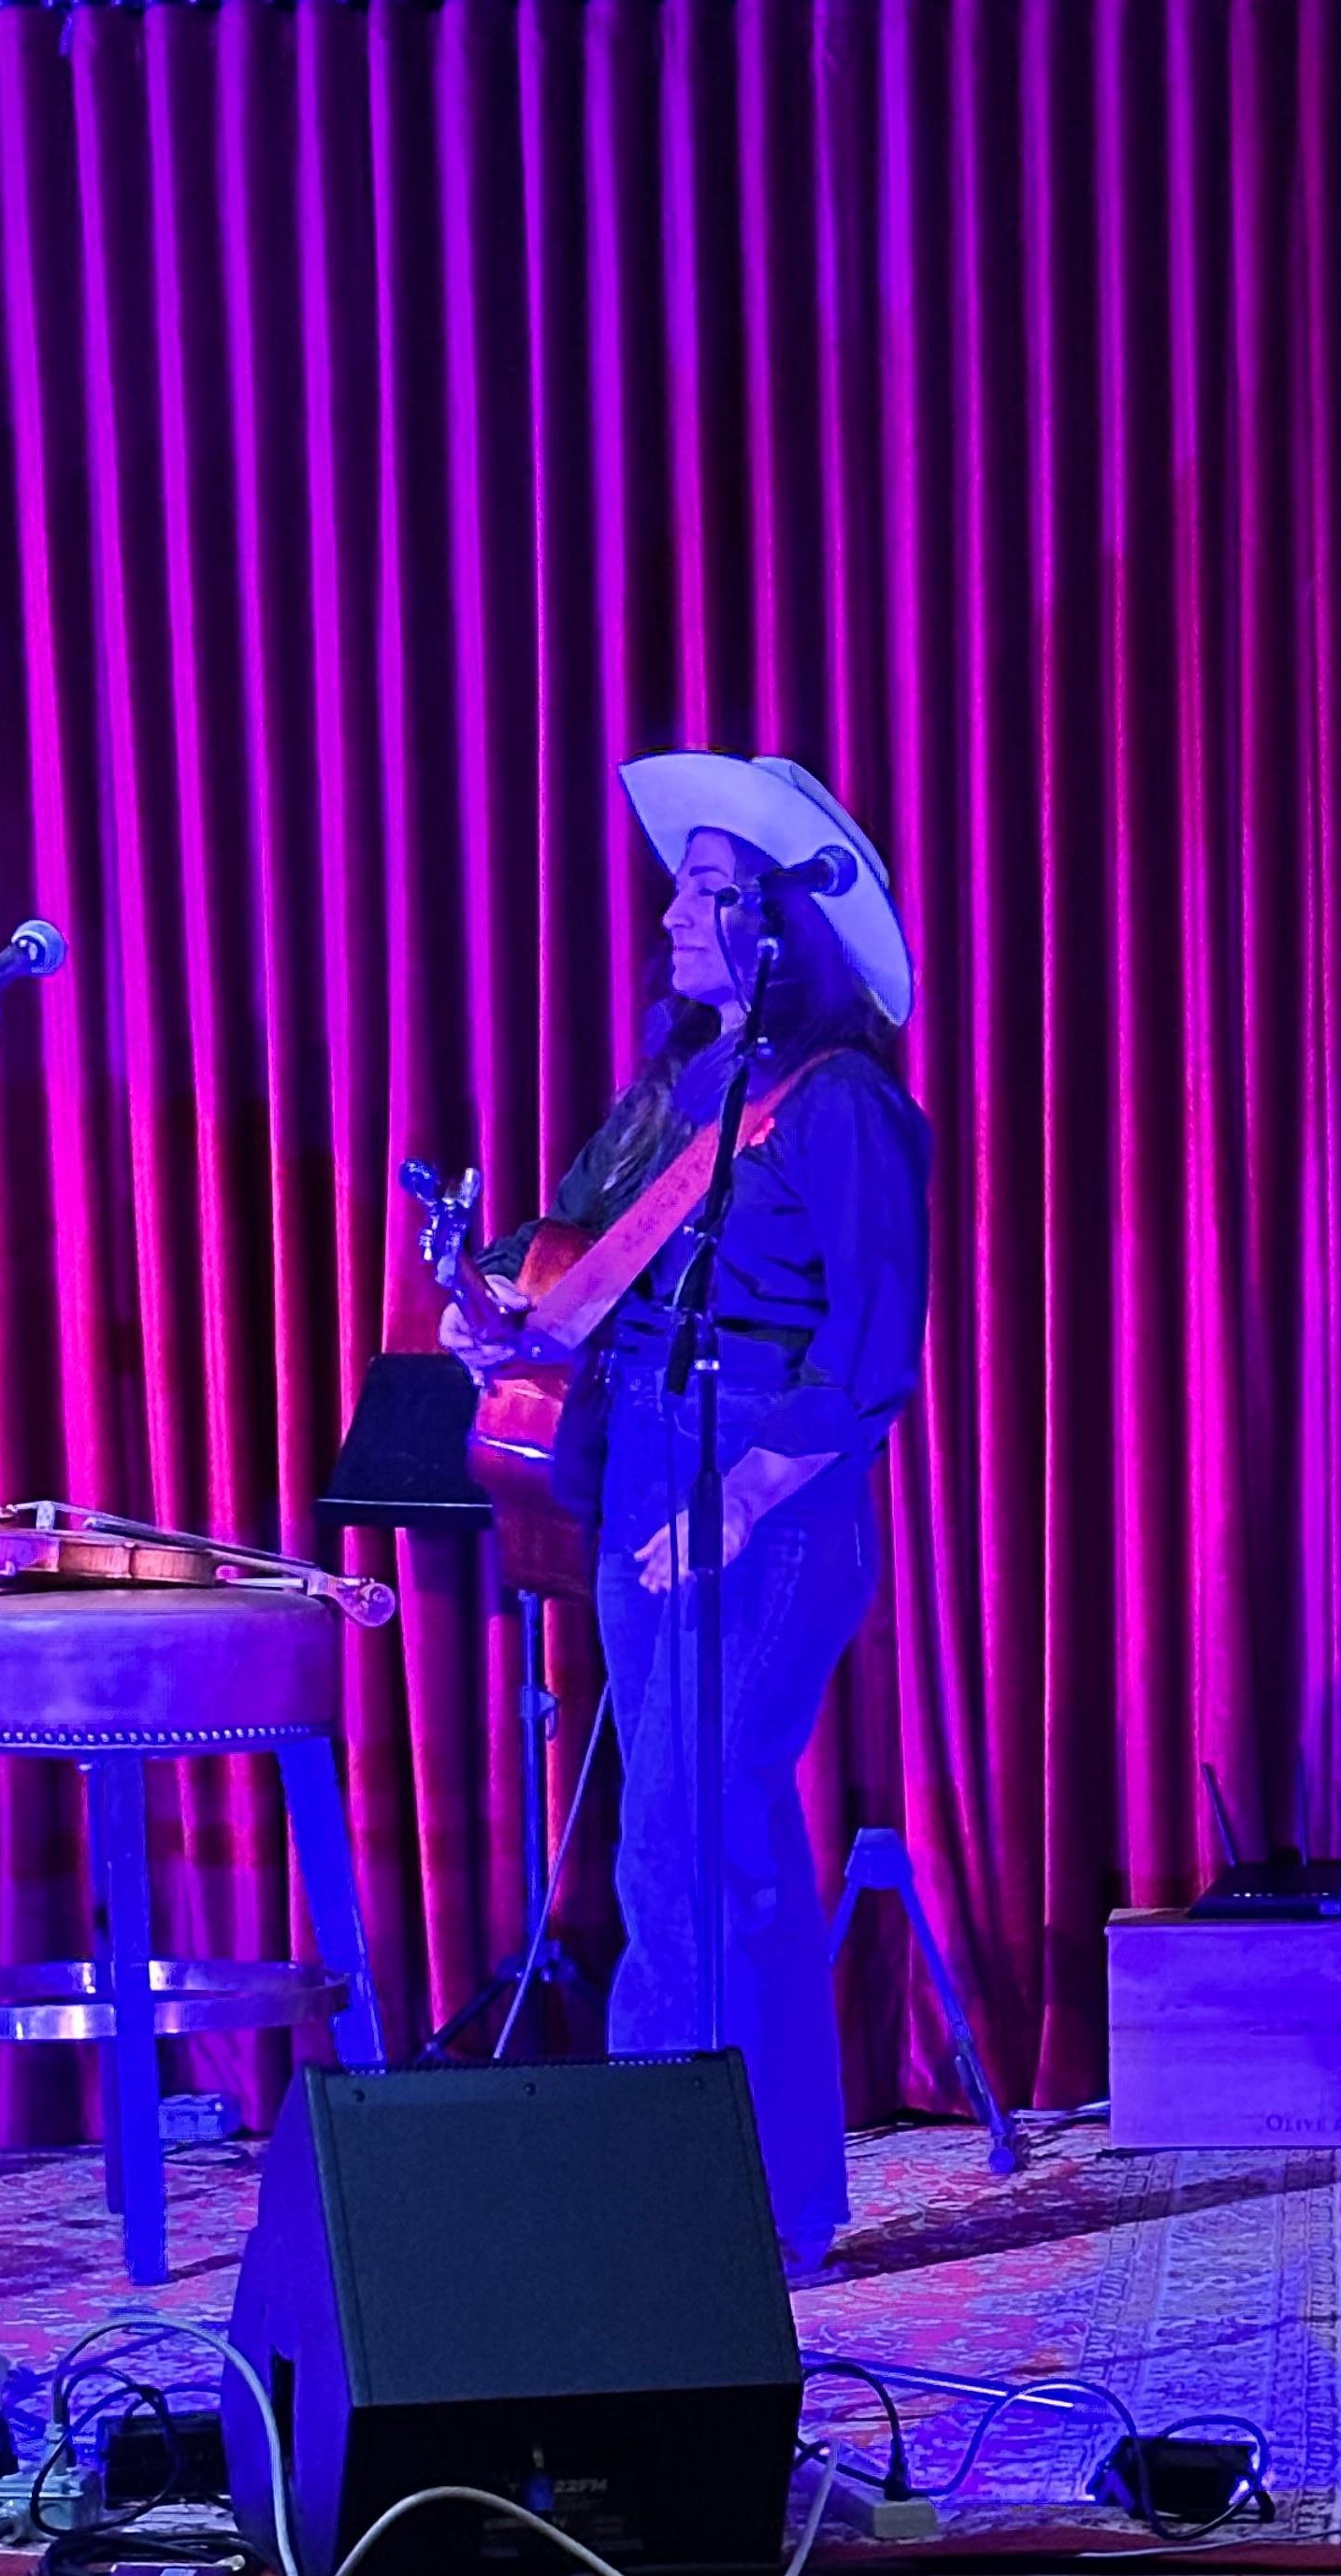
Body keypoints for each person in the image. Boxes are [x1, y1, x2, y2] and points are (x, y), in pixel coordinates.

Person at [442, 751, 929, 2271]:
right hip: (643, 1476)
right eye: (682, 888)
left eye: (708, 891)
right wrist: (491, 1317)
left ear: (784, 925)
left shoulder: (844, 1105)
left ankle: (680, 2210)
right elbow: (564, 1256)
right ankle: (772, 2203)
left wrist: (741, 1497)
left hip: (768, 1503)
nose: (670, 914)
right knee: (710, 1850)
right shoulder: (676, 1093)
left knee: (679, 1844)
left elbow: (870, 1352)